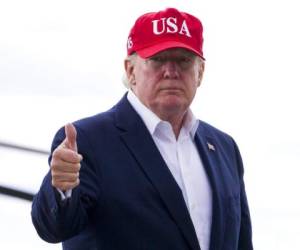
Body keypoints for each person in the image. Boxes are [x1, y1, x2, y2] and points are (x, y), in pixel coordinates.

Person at [31, 7, 253, 250]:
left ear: (200, 73)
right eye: (157, 59)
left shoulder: (224, 148)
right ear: (130, 70)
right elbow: (54, 228)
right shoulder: (86, 141)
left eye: (183, 60)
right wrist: (61, 188)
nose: (171, 71)